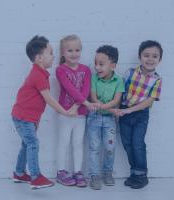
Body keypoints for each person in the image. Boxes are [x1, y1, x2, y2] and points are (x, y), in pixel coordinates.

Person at [11, 35, 77, 189]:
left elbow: (36, 102)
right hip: (22, 117)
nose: (53, 56)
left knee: (26, 144)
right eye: (51, 52)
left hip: (27, 118)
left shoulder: (40, 73)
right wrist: (66, 112)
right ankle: (35, 177)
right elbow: (49, 99)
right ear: (39, 58)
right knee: (33, 143)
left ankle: (19, 173)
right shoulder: (38, 75)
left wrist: (35, 121)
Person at [114, 40, 163, 189]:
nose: (150, 59)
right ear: (140, 56)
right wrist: (117, 110)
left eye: (155, 56)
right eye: (146, 55)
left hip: (140, 115)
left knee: (138, 144)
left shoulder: (157, 80)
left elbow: (149, 101)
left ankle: (141, 176)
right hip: (124, 112)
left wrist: (130, 110)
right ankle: (133, 173)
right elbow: (120, 92)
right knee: (128, 144)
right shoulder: (129, 72)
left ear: (159, 60)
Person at [55, 34, 94, 187]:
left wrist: (78, 106)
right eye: (70, 50)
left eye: (77, 50)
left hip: (79, 114)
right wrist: (82, 104)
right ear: (63, 53)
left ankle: (78, 171)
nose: (74, 54)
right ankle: (61, 171)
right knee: (63, 142)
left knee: (78, 143)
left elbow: (85, 90)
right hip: (65, 113)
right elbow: (69, 89)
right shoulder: (60, 70)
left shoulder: (86, 70)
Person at [87, 45, 124, 190]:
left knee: (110, 147)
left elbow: (116, 101)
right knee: (94, 147)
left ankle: (108, 172)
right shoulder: (94, 78)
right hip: (94, 118)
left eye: (101, 64)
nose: (97, 67)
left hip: (109, 120)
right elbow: (93, 97)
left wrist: (107, 108)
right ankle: (94, 175)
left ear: (113, 65)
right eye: (96, 63)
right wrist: (107, 108)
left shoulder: (119, 81)